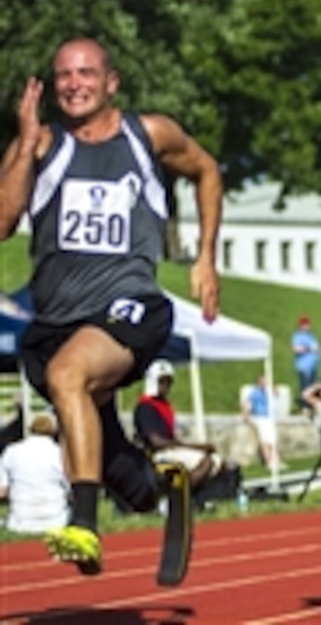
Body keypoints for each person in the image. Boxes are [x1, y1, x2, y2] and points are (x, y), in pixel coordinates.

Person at [0, 38, 222, 575]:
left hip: (132, 305)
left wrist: (205, 256)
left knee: (68, 374)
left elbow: (207, 170)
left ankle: (83, 523)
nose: (75, 84)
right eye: (63, 77)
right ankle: (164, 481)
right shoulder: (42, 144)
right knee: (123, 469)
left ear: (111, 82)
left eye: (86, 73)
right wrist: (26, 143)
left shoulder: (149, 135)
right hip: (57, 321)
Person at [134, 360, 225, 491]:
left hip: (170, 449)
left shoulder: (164, 405)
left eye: (168, 382)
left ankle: (193, 496)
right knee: (205, 462)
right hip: (157, 453)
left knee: (217, 461)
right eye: (162, 381)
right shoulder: (146, 407)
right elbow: (156, 441)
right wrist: (192, 447)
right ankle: (179, 499)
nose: (166, 386)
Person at [0, 413, 69, 534]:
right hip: (57, 519)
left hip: (19, 522)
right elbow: (71, 488)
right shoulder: (59, 453)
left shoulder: (11, 451)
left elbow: (2, 491)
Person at [242, 374, 281, 471]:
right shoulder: (255, 393)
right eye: (263, 381)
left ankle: (275, 460)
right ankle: (268, 462)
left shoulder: (268, 392)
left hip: (269, 418)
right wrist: (246, 415)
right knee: (265, 441)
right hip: (260, 418)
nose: (265, 383)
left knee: (273, 440)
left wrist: (271, 385)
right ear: (258, 382)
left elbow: (277, 394)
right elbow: (247, 404)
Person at [292, 315, 321, 409]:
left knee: (313, 387)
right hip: (304, 366)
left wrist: (319, 350)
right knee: (305, 387)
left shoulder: (312, 336)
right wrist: (309, 348)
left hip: (313, 366)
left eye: (307, 324)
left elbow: (317, 347)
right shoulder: (298, 336)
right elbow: (296, 349)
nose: (306, 326)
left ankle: (312, 406)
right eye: (304, 325)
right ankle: (304, 406)